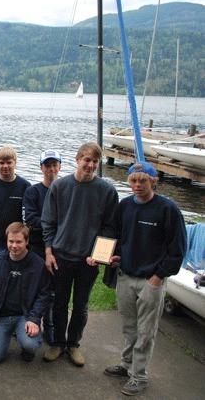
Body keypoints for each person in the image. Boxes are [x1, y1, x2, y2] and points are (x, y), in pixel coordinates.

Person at [90, 162, 186, 396]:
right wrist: (112, 257)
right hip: (125, 276)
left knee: (146, 331)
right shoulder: (125, 207)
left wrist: (159, 276)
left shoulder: (167, 209)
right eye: (133, 180)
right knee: (129, 327)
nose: (137, 185)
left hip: (150, 280)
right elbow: (120, 238)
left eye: (143, 180)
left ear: (154, 182)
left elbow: (178, 249)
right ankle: (126, 364)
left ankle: (139, 375)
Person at [41, 142, 119, 367]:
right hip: (62, 256)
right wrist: (49, 252)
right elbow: (48, 222)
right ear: (77, 160)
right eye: (87, 160)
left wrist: (99, 255)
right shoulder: (60, 187)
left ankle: (73, 344)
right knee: (59, 303)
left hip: (89, 260)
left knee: (81, 305)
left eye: (95, 161)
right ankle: (57, 343)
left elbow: (109, 227)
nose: (90, 165)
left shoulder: (107, 191)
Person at [0, 222, 50, 364]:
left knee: (30, 344)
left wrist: (34, 319)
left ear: (27, 241)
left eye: (19, 242)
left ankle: (27, 347)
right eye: (11, 241)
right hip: (1, 315)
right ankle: (3, 335)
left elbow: (44, 295)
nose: (14, 246)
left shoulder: (38, 265)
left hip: (25, 315)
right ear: (6, 241)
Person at [22, 149, 61, 345]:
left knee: (53, 292)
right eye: (47, 165)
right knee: (34, 286)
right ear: (41, 168)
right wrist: (54, 225)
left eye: (54, 165)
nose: (51, 169)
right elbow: (30, 220)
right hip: (36, 248)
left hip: (59, 249)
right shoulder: (32, 191)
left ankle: (51, 327)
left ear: (60, 167)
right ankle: (29, 322)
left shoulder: (65, 189)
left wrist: (52, 227)